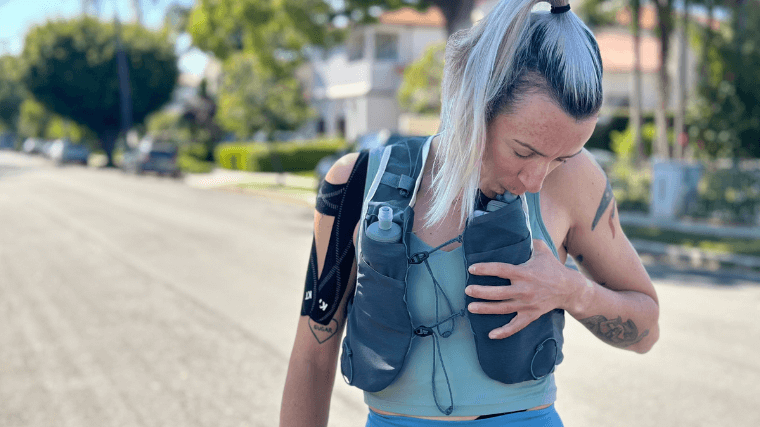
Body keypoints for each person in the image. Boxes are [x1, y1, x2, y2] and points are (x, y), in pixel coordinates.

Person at [280, 0, 659, 425]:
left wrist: (573, 291)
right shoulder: (356, 184)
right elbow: (312, 359)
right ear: (472, 106)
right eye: (524, 151)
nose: (537, 179)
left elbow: (646, 328)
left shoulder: (575, 181)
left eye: (561, 158)